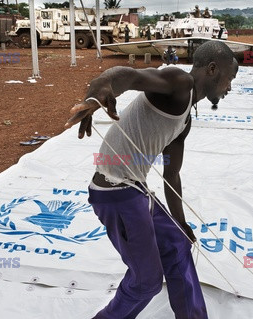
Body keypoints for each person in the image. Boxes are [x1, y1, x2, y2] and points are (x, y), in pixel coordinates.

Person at [64, 40, 238, 319]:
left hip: (135, 190)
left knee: (178, 244)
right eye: (230, 78)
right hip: (114, 191)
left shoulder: (185, 119)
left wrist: (180, 223)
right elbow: (128, 76)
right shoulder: (179, 81)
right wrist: (99, 94)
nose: (230, 87)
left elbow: (172, 174)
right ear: (213, 69)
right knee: (147, 282)